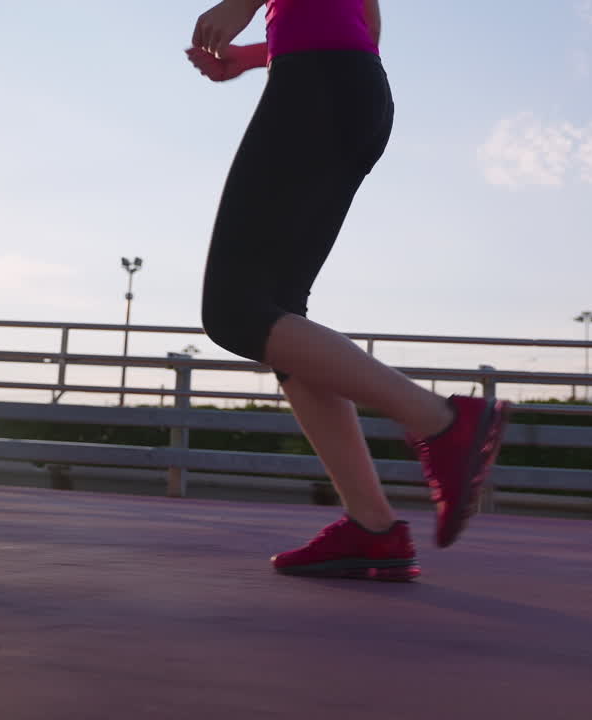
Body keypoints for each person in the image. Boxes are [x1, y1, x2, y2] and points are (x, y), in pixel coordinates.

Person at [188, 0, 508, 581]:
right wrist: (255, 56)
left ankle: (443, 421)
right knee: (276, 314)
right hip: (345, 85)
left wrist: (239, 6)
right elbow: (366, 25)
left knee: (235, 312)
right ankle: (373, 528)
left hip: (320, 84)